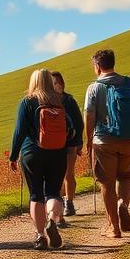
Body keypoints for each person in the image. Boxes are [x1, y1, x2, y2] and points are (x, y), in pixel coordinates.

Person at [84, 49, 130, 238]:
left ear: (97, 66)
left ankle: (114, 228)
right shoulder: (127, 83)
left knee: (107, 184)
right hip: (128, 139)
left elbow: (89, 114)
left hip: (104, 141)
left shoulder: (94, 87)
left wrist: (88, 141)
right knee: (126, 176)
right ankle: (122, 204)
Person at [10, 69, 71, 250]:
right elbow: (72, 128)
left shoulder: (27, 102)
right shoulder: (60, 102)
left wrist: (13, 156)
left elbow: (19, 131)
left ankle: (40, 236)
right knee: (53, 193)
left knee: (36, 195)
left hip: (32, 153)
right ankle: (52, 219)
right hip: (58, 153)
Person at [51, 71, 85, 221]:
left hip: (64, 144)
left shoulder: (65, 101)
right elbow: (79, 123)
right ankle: (64, 204)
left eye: (58, 82)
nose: (57, 85)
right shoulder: (67, 100)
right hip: (62, 144)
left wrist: (78, 143)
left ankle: (67, 203)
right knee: (62, 175)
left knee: (67, 174)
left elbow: (78, 122)